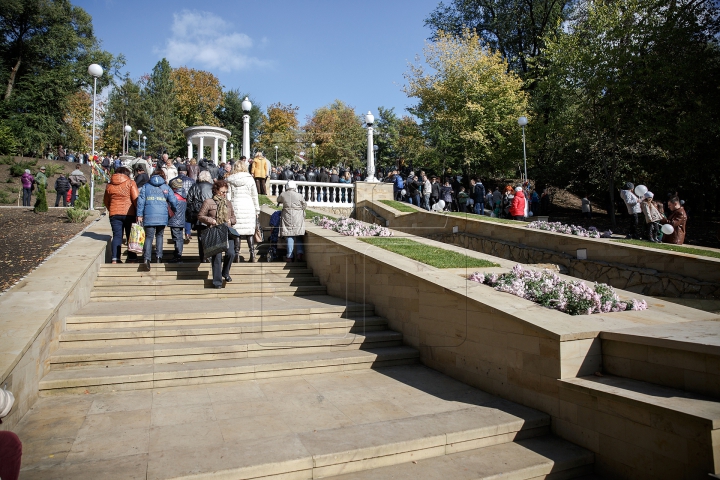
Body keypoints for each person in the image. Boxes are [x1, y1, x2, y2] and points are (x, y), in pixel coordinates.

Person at [197, 180, 236, 288]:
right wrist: (211, 221)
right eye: (222, 192)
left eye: (226, 192)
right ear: (216, 190)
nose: (224, 194)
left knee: (231, 253)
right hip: (215, 231)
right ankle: (217, 282)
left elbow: (234, 218)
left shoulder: (228, 203)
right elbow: (200, 216)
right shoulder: (209, 202)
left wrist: (231, 221)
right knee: (217, 257)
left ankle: (225, 272)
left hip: (227, 230)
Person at [136, 170, 177, 270]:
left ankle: (146, 259)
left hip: (149, 215)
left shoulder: (146, 186)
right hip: (162, 216)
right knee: (160, 236)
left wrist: (139, 214)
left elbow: (140, 201)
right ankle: (159, 258)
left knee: (149, 237)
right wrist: (173, 210)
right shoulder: (165, 187)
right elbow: (174, 200)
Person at [104, 167, 139, 264]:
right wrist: (138, 212)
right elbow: (136, 199)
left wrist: (111, 209)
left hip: (114, 213)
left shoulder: (109, 185)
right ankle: (132, 258)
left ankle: (115, 258)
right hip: (129, 213)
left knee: (117, 236)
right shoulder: (131, 183)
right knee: (130, 236)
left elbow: (106, 201)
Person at [227, 161, 260, 262]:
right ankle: (252, 254)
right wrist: (257, 210)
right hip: (248, 206)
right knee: (250, 232)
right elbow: (254, 195)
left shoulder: (230, 180)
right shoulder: (250, 179)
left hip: (235, 206)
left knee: (237, 232)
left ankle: (236, 255)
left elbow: (229, 196)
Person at [186, 171, 214, 261]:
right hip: (210, 214)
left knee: (200, 236)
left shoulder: (194, 187)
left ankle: (202, 257)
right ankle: (208, 255)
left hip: (198, 214)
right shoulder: (212, 187)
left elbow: (189, 200)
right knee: (209, 235)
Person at [277, 180, 307, 262]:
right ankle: (300, 253)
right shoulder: (299, 195)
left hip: (287, 216)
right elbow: (304, 205)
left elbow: (278, 199)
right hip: (298, 216)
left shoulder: (283, 194)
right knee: (299, 234)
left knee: (290, 235)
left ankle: (290, 255)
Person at [167, 178, 188, 262]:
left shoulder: (173, 196)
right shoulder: (184, 195)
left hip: (174, 220)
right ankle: (178, 255)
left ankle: (177, 256)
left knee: (176, 239)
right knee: (179, 238)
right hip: (181, 220)